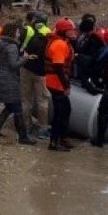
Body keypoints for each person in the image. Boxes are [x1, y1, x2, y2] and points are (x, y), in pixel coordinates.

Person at [0, 20, 36, 144]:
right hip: (9, 80)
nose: (19, 34)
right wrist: (25, 58)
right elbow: (13, 65)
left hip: (0, 77)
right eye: (17, 32)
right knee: (17, 108)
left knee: (9, 107)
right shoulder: (12, 46)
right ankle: (23, 137)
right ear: (12, 33)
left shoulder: (0, 44)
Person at [45, 17, 78, 151]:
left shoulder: (62, 42)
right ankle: (54, 142)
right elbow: (58, 67)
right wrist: (66, 86)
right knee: (60, 113)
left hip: (55, 81)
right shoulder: (59, 44)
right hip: (56, 83)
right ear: (64, 31)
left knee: (65, 111)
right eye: (70, 30)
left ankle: (62, 138)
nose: (73, 32)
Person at [20, 11, 52, 139]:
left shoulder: (26, 30)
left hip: (25, 67)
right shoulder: (48, 32)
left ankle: (26, 127)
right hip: (41, 72)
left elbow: (20, 46)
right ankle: (43, 129)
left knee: (25, 100)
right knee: (42, 101)